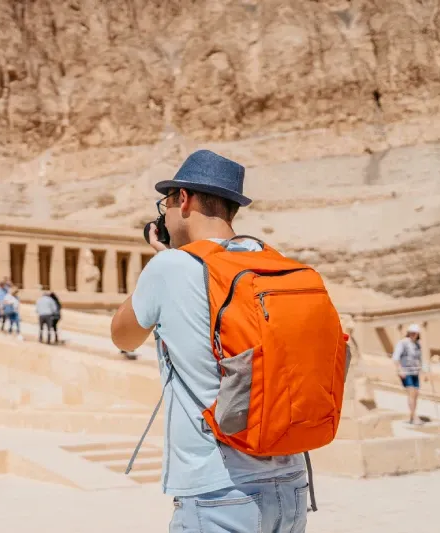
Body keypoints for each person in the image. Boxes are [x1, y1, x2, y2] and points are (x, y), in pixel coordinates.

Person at [110, 150, 307, 533]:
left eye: (167, 203)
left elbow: (123, 336)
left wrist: (161, 262)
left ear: (184, 199)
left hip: (220, 490)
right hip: (292, 484)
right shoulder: (271, 261)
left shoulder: (171, 266)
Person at [393, 324, 423, 424]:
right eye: (411, 333)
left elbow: (419, 359)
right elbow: (396, 358)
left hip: (415, 372)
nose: (413, 335)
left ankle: (412, 415)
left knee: (416, 394)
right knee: (411, 393)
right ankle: (414, 417)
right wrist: (399, 370)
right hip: (406, 372)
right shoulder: (403, 343)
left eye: (415, 333)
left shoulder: (417, 345)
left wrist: (423, 370)